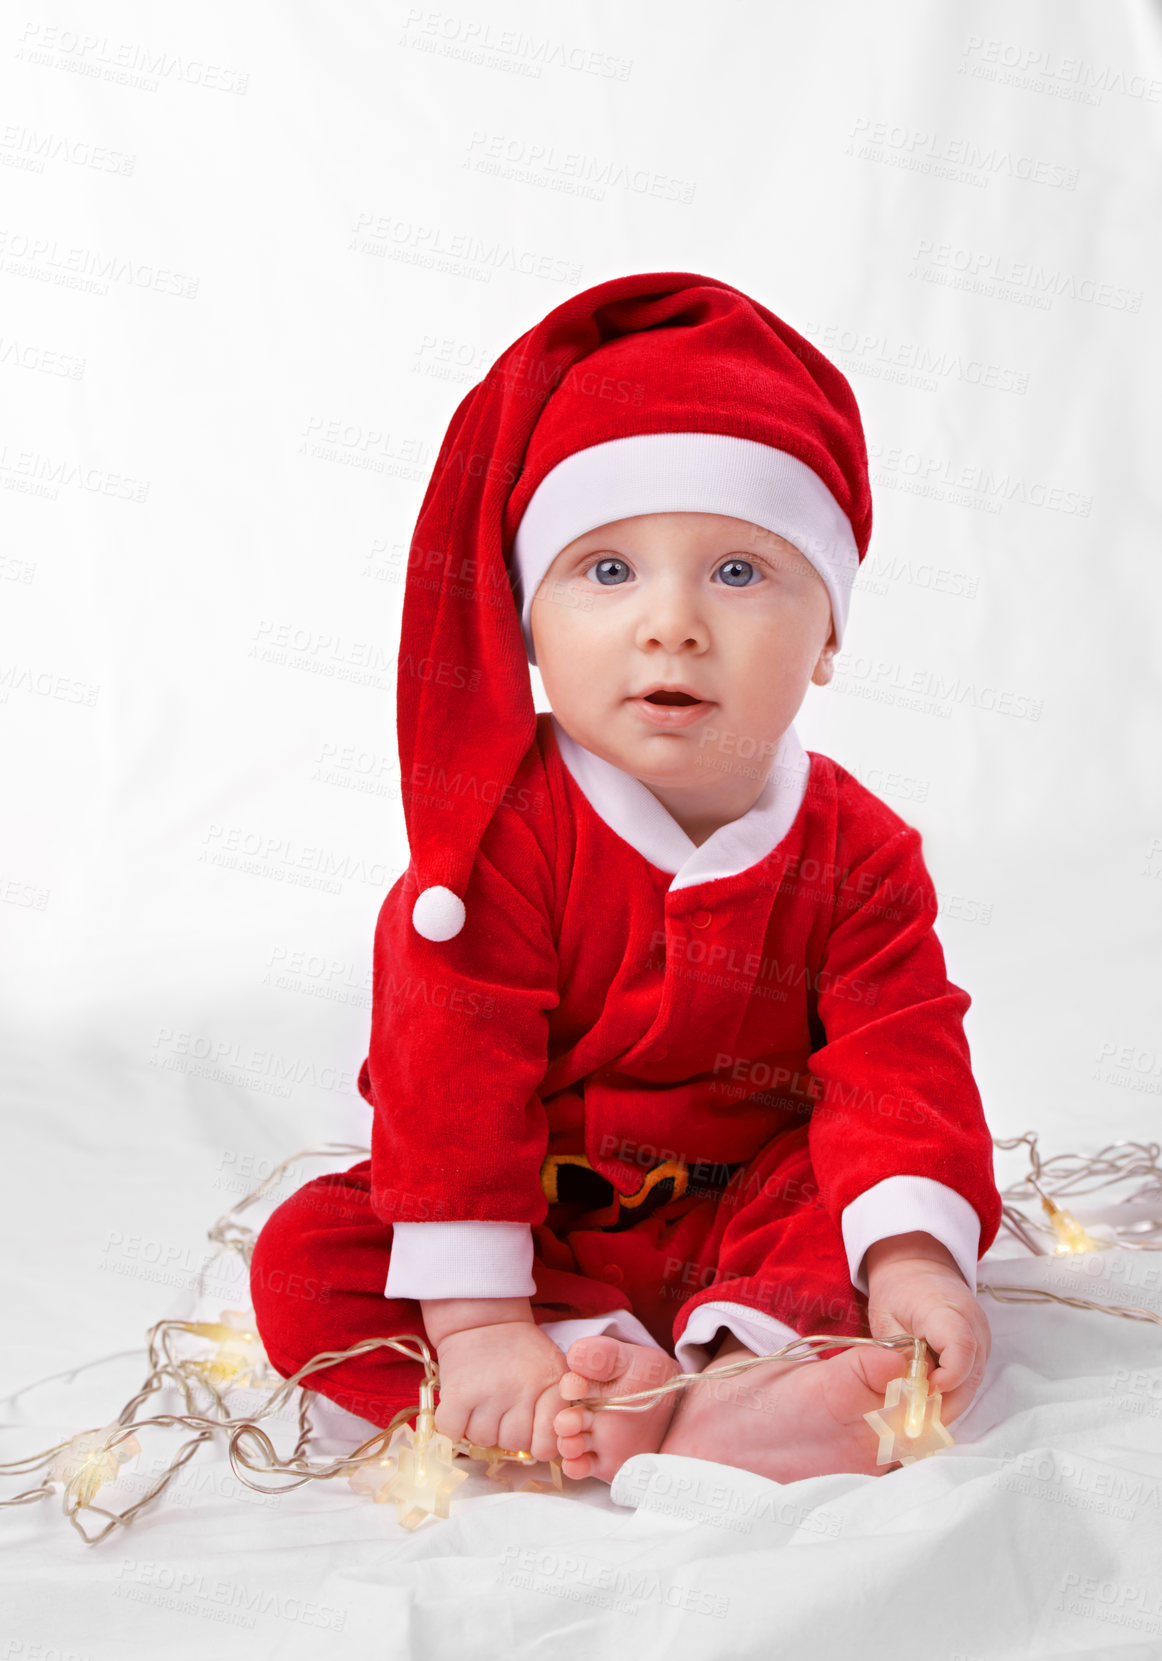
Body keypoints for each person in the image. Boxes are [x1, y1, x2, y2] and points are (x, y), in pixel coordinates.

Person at [250, 271, 1001, 1487]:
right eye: (606, 572)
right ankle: (567, 1374)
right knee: (310, 1255)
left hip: (744, 1199)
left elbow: (897, 1058)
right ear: (528, 623)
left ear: (829, 638)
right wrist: (478, 1319)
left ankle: (737, 1382)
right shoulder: (498, 840)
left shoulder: (858, 852)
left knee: (860, 1201)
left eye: (742, 573)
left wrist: (912, 1254)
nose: (673, 623)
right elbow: (449, 1079)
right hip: (530, 1208)